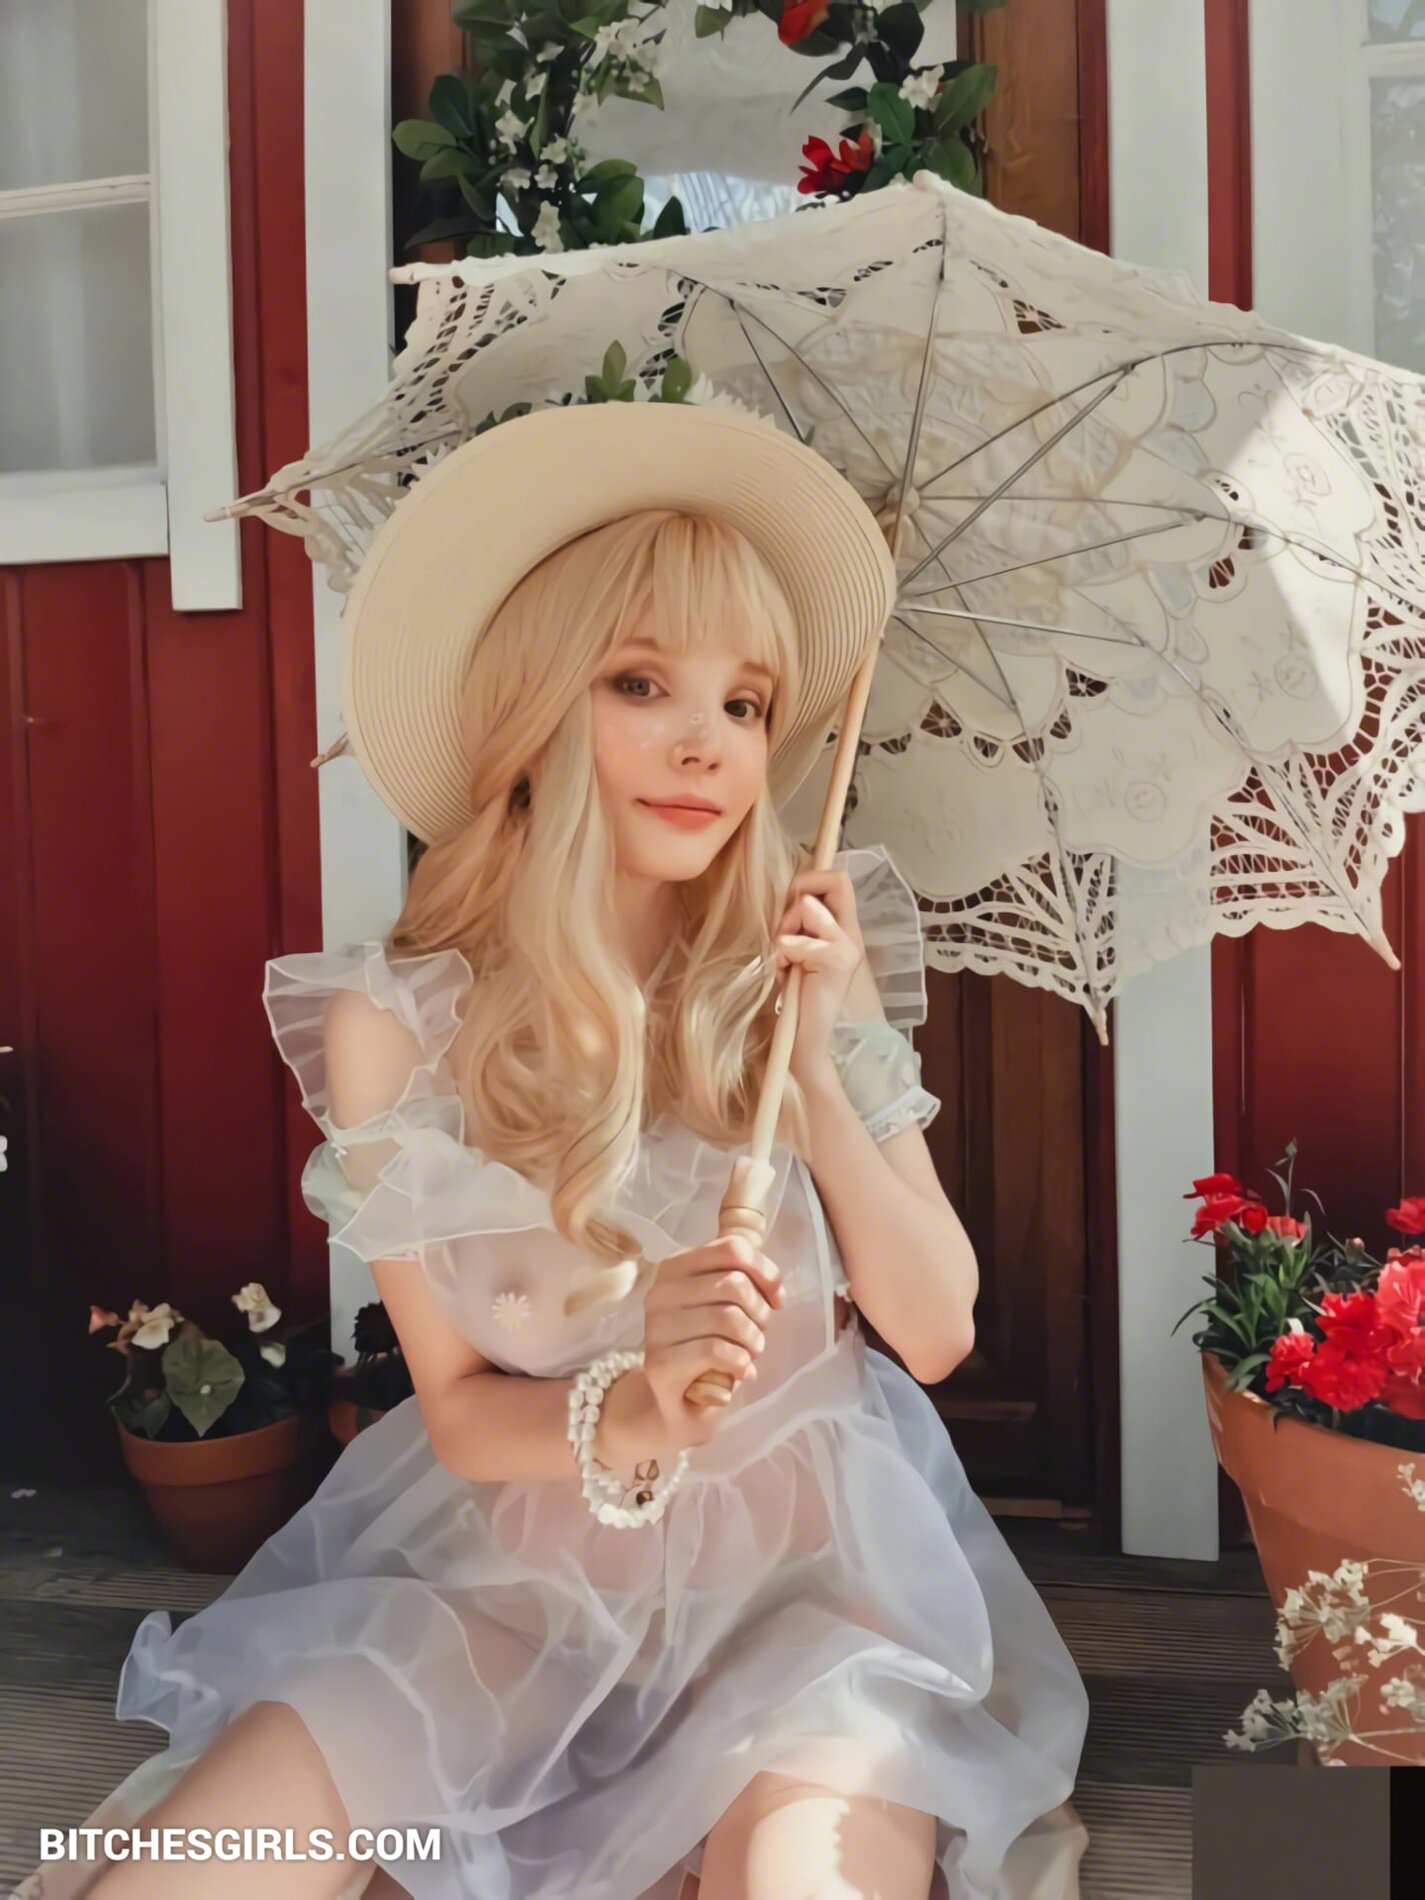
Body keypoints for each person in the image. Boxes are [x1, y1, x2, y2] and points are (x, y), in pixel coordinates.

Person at [18, 400, 1090, 1900]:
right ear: (533, 707)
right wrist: (639, 1400)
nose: (705, 745)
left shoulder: (801, 974)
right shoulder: (398, 1025)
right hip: (514, 1600)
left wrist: (810, 1076)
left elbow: (936, 1327)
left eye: (746, 703)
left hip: (811, 1609)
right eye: (641, 682)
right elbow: (460, 1417)